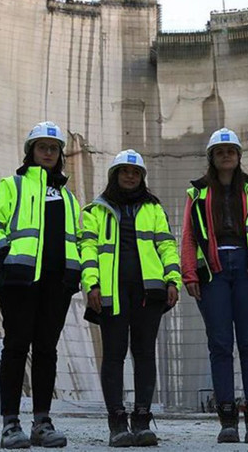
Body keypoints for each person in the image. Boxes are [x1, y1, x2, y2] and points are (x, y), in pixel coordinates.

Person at [0, 121, 82, 449]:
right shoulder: (13, 185)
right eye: (43, 147)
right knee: (15, 347)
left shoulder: (68, 197)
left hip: (57, 285)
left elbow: (77, 238)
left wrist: (73, 275)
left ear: (60, 154)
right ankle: (10, 424)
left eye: (54, 149)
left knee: (46, 351)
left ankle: (41, 422)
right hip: (19, 281)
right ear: (31, 152)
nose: (49, 153)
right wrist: (5, 254)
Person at [180, 128, 248, 444]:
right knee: (220, 344)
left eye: (231, 151)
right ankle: (227, 421)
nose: (226, 155)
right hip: (213, 271)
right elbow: (188, 236)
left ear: (238, 157)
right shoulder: (197, 192)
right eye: (220, 151)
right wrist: (190, 274)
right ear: (212, 157)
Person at [81, 149, 181, 447]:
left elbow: (166, 246)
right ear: (115, 175)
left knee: (145, 353)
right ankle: (116, 422)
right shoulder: (95, 211)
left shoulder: (153, 209)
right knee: (113, 354)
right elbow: (88, 250)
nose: (129, 176)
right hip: (111, 293)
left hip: (148, 292)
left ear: (141, 178)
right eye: (124, 171)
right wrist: (92, 284)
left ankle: (141, 419)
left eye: (135, 172)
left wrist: (172, 279)